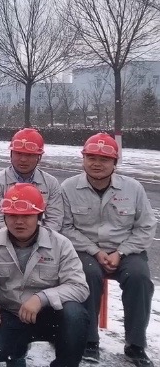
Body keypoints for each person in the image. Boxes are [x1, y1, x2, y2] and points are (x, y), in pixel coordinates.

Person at [61, 133, 156, 366]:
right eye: (91, 158)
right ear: (83, 159)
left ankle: (135, 344)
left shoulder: (133, 188)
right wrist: (94, 251)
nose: (97, 164)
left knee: (139, 278)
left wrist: (121, 252)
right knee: (87, 275)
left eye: (104, 159)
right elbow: (64, 227)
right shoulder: (68, 188)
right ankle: (88, 340)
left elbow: (145, 227)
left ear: (115, 162)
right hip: (85, 250)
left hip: (126, 251)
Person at [0, 183, 90, 367]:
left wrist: (41, 298)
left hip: (51, 315)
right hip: (11, 313)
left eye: (26, 216)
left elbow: (79, 287)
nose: (19, 222)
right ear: (4, 217)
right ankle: (17, 353)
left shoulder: (60, 244)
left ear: (39, 216)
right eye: (12, 215)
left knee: (75, 315)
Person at [0, 128, 63, 231]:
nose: (23, 159)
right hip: (6, 238)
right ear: (11, 154)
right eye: (18, 153)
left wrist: (37, 238)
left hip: (44, 238)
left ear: (39, 157)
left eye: (29, 155)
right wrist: (17, 238)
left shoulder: (51, 183)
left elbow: (54, 220)